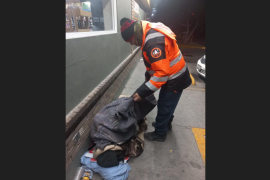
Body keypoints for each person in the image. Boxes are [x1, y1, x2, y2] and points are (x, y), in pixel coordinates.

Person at [119, 17, 192, 142]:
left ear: (134, 34)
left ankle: (160, 133)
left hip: (175, 78)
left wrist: (143, 92)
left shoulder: (153, 41)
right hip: (173, 75)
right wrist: (148, 81)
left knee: (165, 105)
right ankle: (165, 124)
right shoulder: (147, 30)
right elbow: (155, 65)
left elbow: (162, 74)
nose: (131, 44)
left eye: (130, 41)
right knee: (169, 103)